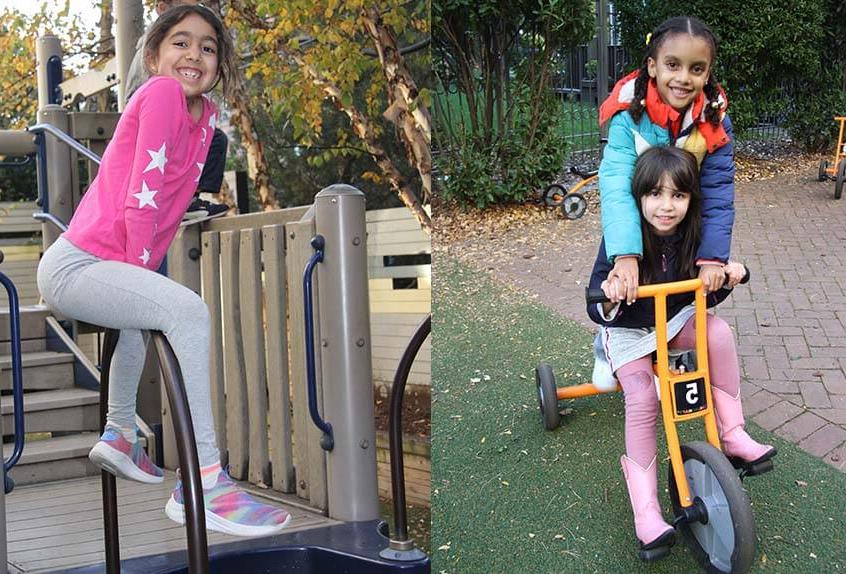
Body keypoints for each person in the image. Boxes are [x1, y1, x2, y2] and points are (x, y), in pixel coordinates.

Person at [36, 5, 290, 537]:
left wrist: (144, 269)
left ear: (220, 64)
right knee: (186, 310)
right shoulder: (161, 94)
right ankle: (204, 482)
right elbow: (140, 196)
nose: (194, 54)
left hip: (105, 261)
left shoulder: (206, 117)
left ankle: (121, 431)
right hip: (78, 263)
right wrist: (139, 272)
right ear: (154, 56)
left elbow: (172, 195)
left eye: (208, 46)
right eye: (180, 42)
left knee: (146, 321)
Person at [587, 146, 776, 560]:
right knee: (641, 397)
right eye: (655, 194)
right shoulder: (623, 241)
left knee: (718, 334)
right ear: (638, 197)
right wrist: (612, 292)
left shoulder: (693, 235)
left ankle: (732, 433)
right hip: (629, 330)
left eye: (678, 195)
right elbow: (595, 302)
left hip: (672, 320)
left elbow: (703, 295)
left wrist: (726, 277)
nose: (666, 206)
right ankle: (647, 512)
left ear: (692, 199)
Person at [598, 16, 735, 307]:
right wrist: (624, 254)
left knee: (693, 304)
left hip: (683, 227)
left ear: (707, 74)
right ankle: (618, 336)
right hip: (640, 225)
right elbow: (617, 183)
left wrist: (712, 257)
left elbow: (718, 192)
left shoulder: (714, 121)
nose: (684, 78)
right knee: (620, 288)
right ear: (652, 66)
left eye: (696, 69)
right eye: (672, 65)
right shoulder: (628, 116)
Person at [126, 0, 229, 221]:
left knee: (213, 138)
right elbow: (151, 91)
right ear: (163, 9)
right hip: (152, 118)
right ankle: (184, 200)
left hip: (173, 115)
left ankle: (188, 198)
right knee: (207, 140)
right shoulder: (154, 47)